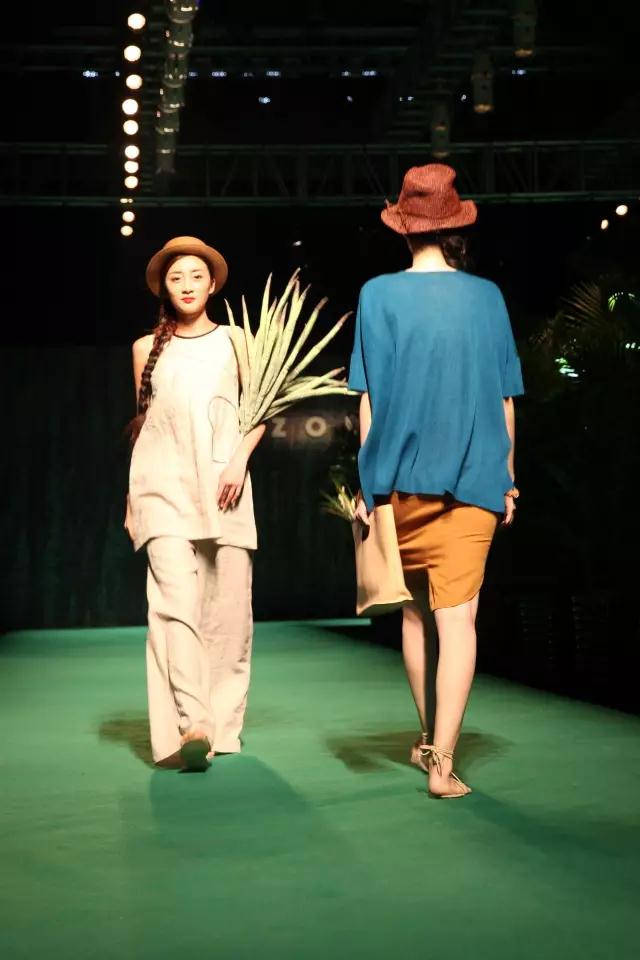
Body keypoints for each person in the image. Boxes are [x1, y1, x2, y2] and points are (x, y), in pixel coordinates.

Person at [349, 165, 524, 798]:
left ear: (403, 227)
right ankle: (442, 761)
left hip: (398, 482)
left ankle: (430, 740)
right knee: (459, 621)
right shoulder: (487, 297)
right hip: (473, 478)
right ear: (454, 227)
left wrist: (369, 485)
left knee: (417, 617)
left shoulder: (376, 295)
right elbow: (505, 397)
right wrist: (507, 478)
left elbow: (368, 400)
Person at [125, 236, 265, 771]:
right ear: (164, 288)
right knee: (174, 604)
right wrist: (131, 499)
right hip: (161, 488)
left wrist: (238, 461)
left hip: (225, 487)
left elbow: (261, 409)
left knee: (229, 615)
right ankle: (193, 723)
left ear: (212, 285)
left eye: (196, 276)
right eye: (176, 277)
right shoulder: (145, 348)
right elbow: (147, 426)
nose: (186, 285)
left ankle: (221, 725)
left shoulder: (236, 340)